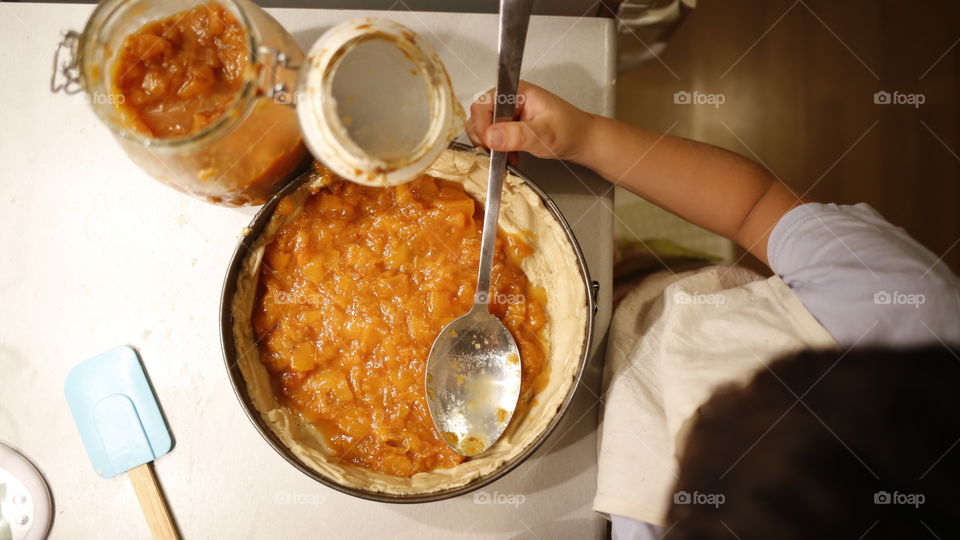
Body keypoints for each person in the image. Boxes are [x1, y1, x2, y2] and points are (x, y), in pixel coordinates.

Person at [466, 82, 960, 539]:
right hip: (654, 284)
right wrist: (586, 138)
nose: (701, 408)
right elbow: (754, 206)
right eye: (754, 385)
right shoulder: (900, 305)